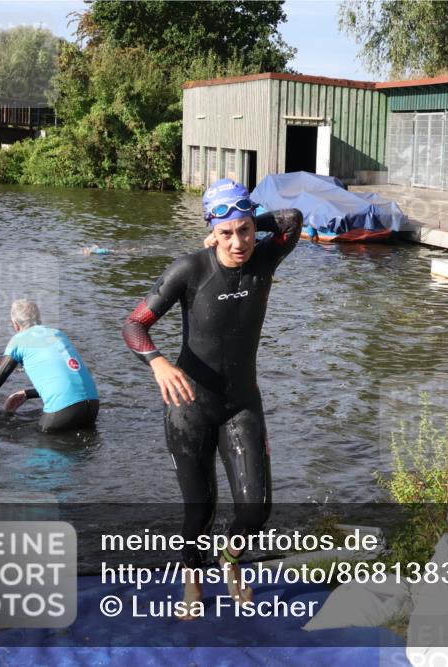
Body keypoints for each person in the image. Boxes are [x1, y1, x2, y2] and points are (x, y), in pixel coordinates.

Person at [122, 179, 301, 618]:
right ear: (210, 231)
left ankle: (231, 559)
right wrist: (159, 364)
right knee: (198, 508)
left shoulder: (266, 257)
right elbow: (133, 326)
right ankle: (192, 581)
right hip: (190, 408)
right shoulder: (190, 270)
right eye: (226, 233)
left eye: (244, 230)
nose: (238, 242)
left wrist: (244, 219)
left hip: (241, 404)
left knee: (255, 512)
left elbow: (292, 220)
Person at [0, 299, 99, 432]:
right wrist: (27, 394)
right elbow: (68, 379)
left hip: (63, 411)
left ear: (15, 324)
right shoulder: (58, 334)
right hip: (93, 406)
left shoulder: (19, 341)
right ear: (39, 319)